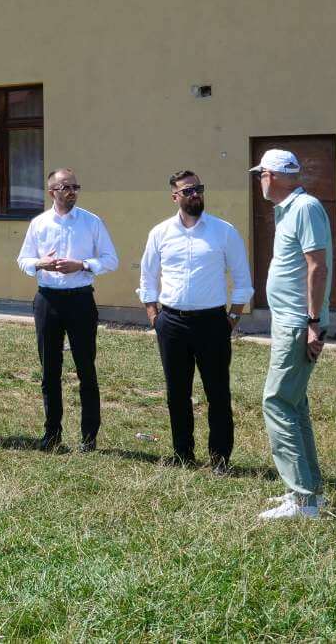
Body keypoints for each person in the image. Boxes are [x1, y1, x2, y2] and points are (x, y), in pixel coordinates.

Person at [137, 170, 254, 474]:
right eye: (187, 191)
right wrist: (153, 315)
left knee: (218, 393)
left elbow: (242, 279)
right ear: (174, 196)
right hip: (171, 323)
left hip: (212, 323)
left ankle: (220, 459)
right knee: (177, 393)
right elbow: (147, 276)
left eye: (198, 189)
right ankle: (183, 454)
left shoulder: (223, 231)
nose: (195, 195)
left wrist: (233, 316)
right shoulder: (160, 233)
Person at [249, 149, 332, 520]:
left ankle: (302, 500)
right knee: (293, 403)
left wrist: (312, 322)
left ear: (275, 176)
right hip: (289, 319)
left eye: (262, 174)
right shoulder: (287, 209)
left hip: (298, 321)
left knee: (277, 402)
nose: (260, 180)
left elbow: (318, 267)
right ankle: (309, 492)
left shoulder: (305, 208)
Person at [15, 168, 119, 451]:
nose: (72, 191)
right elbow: (23, 260)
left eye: (75, 187)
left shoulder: (91, 222)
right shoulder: (39, 223)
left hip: (80, 300)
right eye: (66, 187)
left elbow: (111, 259)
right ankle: (52, 434)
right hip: (47, 300)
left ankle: (89, 437)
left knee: (86, 368)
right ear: (52, 192)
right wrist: (40, 263)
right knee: (50, 370)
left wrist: (82, 265)